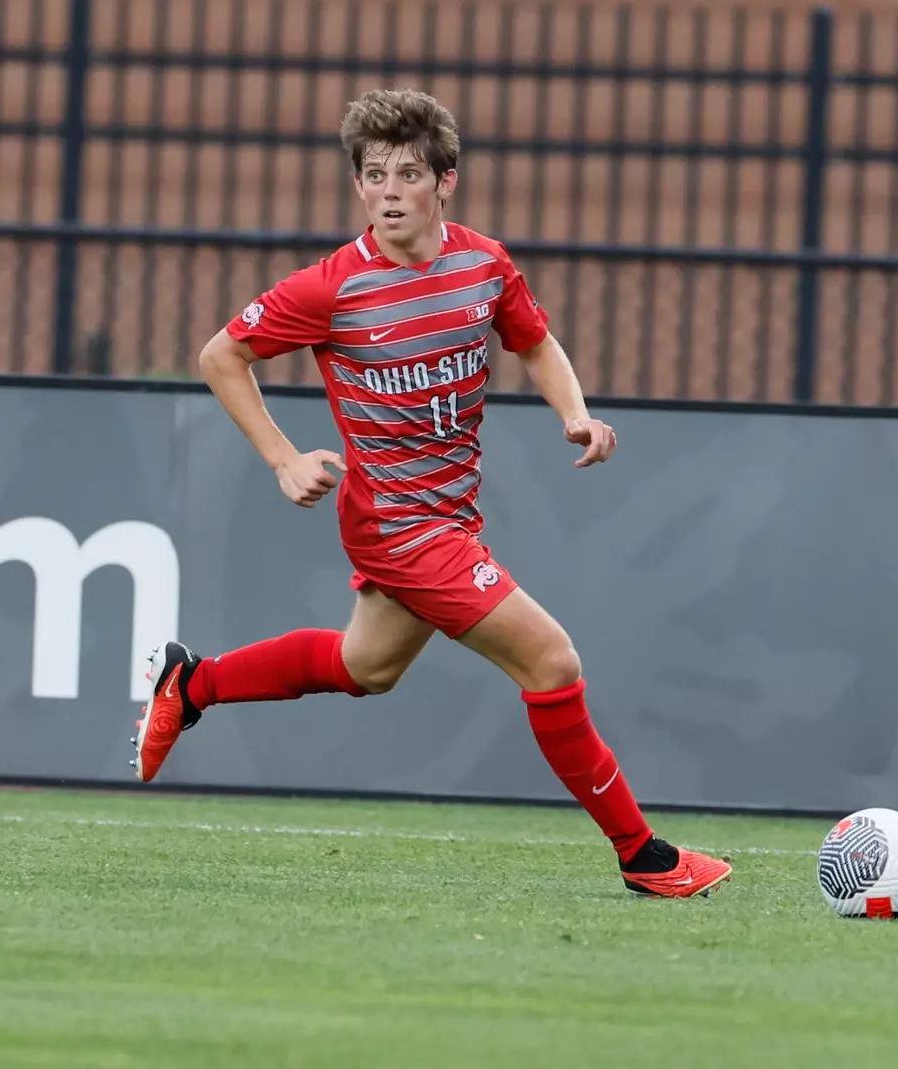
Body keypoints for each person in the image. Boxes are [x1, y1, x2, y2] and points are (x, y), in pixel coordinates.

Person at [128, 87, 732, 900]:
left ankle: (190, 683)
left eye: (406, 174)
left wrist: (577, 415)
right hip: (397, 526)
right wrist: (280, 459)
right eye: (372, 175)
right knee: (552, 663)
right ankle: (643, 856)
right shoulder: (332, 287)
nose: (386, 192)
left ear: (445, 181)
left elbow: (534, 341)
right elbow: (219, 356)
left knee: (363, 667)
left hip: (452, 516)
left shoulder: (484, 264)